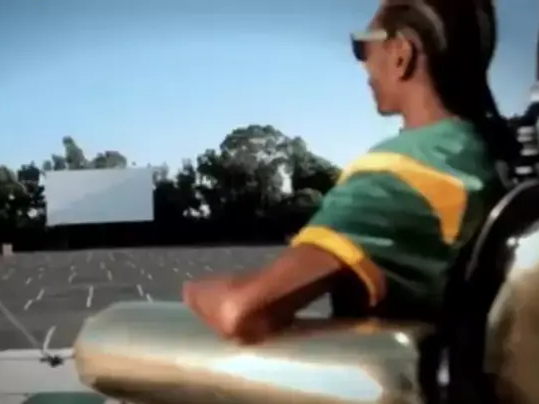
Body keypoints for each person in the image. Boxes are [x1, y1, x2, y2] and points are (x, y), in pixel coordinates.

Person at [183, 0, 516, 344]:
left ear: (401, 54)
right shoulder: (487, 155)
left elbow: (243, 309)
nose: (363, 64)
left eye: (363, 47)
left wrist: (195, 292)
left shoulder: (400, 172)